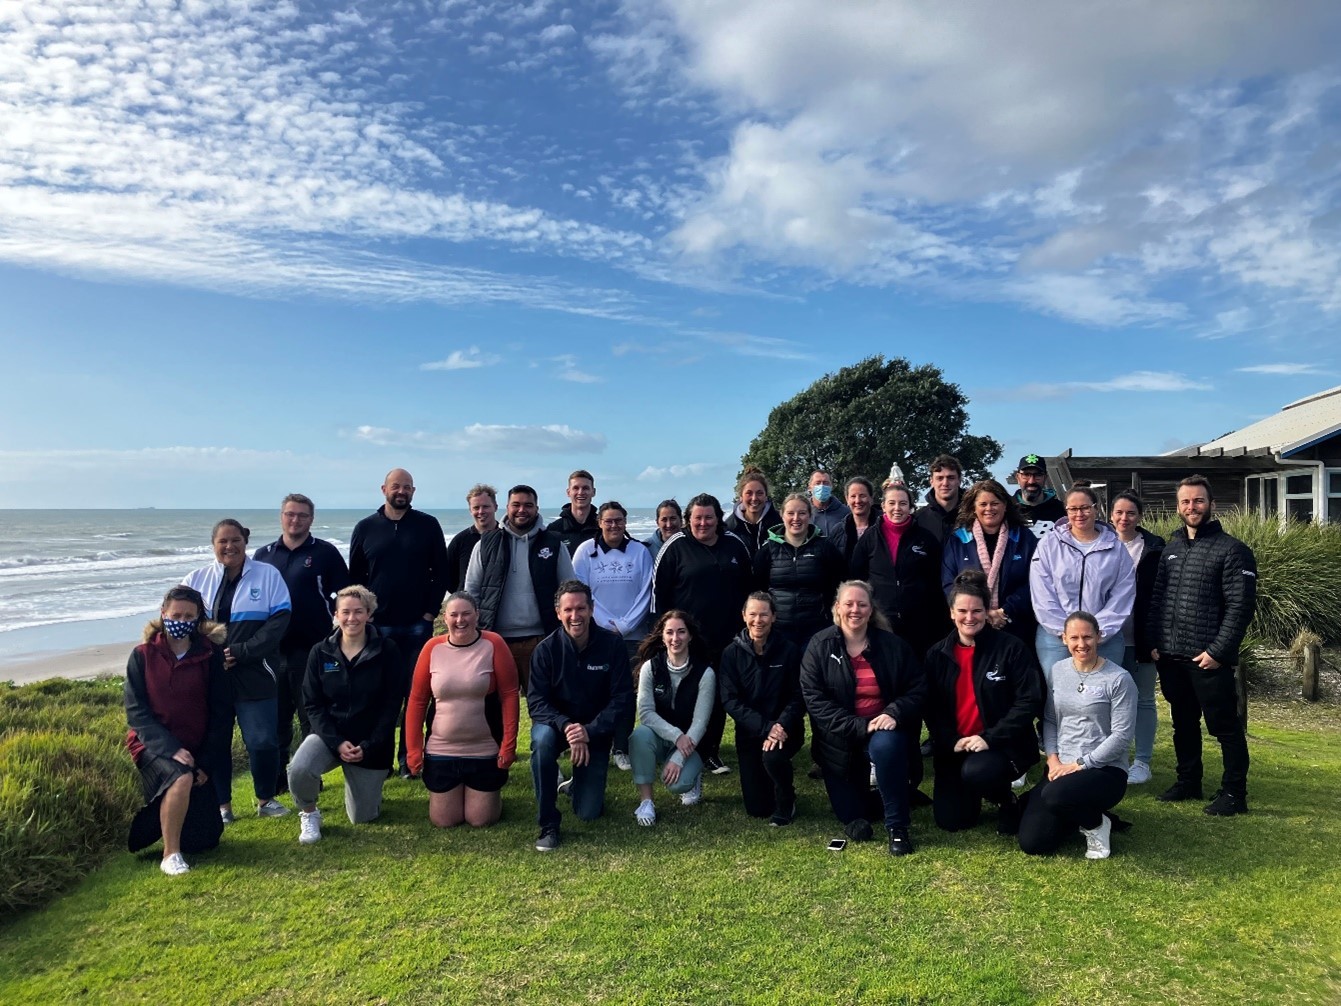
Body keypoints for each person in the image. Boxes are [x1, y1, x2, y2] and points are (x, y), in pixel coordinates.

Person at [1149, 475, 1257, 815]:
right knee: (1183, 724)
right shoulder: (1171, 549)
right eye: (1185, 502)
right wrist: (1154, 642)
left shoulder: (1234, 550)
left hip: (1208, 659)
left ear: (1210, 504)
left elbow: (1241, 607)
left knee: (1225, 728)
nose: (1191, 507)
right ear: (1178, 506)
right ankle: (1188, 781)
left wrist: (1218, 652)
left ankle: (1234, 794)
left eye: (1198, 501)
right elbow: (1158, 599)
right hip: (1171, 657)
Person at [801, 581, 926, 856]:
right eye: (848, 603)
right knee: (853, 817)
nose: (854, 610)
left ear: (871, 610)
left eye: (862, 604)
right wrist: (859, 725)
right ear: (837, 608)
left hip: (882, 730)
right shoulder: (819, 646)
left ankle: (897, 827)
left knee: (887, 746)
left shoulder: (893, 646)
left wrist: (893, 712)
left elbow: (917, 687)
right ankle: (897, 792)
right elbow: (814, 700)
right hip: (839, 739)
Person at [182, 518, 292, 823]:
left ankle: (265, 799)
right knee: (216, 742)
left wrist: (241, 652)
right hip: (211, 675)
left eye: (236, 540)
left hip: (256, 671)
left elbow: (279, 622)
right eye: (222, 542)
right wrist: (212, 656)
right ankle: (223, 807)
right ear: (213, 545)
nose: (229, 547)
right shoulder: (196, 579)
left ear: (246, 541)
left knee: (262, 741)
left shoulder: (267, 575)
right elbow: (181, 619)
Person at [348, 468, 450, 779]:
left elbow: (441, 573)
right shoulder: (365, 528)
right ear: (384, 489)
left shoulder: (428, 525)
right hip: (376, 629)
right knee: (378, 696)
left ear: (413, 491)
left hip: (417, 626)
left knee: (415, 694)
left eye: (406, 487)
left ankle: (409, 760)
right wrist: (363, 616)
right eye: (396, 486)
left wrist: (431, 613)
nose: (401, 491)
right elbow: (355, 579)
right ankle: (380, 762)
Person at [924, 572, 1041, 836]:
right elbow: (931, 708)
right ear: (951, 613)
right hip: (956, 746)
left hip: (1000, 746)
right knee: (952, 821)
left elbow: (1029, 700)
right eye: (962, 611)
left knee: (978, 772)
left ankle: (1006, 800)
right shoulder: (937, 655)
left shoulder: (1011, 648)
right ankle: (971, 791)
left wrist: (989, 738)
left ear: (987, 612)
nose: (969, 617)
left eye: (977, 611)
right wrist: (950, 739)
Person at [124, 586, 230, 876]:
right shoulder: (142, 655)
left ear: (198, 619)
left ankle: (160, 817)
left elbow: (221, 713)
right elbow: (136, 712)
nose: (180, 620)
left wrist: (205, 762)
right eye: (175, 615)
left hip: (195, 748)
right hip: (152, 745)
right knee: (181, 777)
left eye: (188, 616)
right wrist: (171, 749)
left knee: (207, 839)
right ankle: (171, 855)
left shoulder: (211, 654)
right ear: (163, 614)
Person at [288, 585, 404, 844]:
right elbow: (313, 705)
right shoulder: (320, 651)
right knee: (299, 769)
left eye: (358, 612)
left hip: (370, 743)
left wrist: (369, 745)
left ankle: (366, 789)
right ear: (336, 615)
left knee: (362, 817)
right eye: (346, 612)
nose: (352, 618)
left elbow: (391, 705)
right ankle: (309, 813)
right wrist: (336, 742)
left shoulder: (388, 650)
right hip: (330, 735)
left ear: (369, 614)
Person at [252, 492, 350, 791]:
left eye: (302, 515)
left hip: (311, 648)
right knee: (277, 717)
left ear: (311, 519)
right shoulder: (263, 555)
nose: (295, 520)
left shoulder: (325, 553)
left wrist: (341, 633)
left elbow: (344, 595)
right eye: (290, 514)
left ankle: (309, 777)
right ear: (281, 516)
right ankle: (280, 779)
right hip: (271, 651)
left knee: (311, 714)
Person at [1018, 612, 1136, 859]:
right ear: (1064, 639)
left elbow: (1121, 736)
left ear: (1099, 637)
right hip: (1062, 768)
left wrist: (1080, 764)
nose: (1081, 644)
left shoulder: (1119, 679)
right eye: (1074, 638)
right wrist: (1052, 759)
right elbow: (1050, 719)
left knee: (1055, 795)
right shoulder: (1058, 671)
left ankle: (1097, 824)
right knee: (1033, 842)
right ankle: (1075, 813)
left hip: (1104, 769)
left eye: (1087, 637)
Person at [527, 581, 634, 851]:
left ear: (592, 609)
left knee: (588, 812)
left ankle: (574, 786)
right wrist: (568, 728)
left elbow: (622, 698)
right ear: (558, 613)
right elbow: (537, 702)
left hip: (595, 731)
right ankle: (548, 824)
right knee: (541, 743)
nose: (575, 616)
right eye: (568, 610)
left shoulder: (612, 645)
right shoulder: (545, 650)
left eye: (581, 608)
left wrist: (590, 730)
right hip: (556, 728)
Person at [651, 492, 754, 775]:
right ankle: (679, 748)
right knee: (686, 697)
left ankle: (710, 753)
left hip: (729, 639)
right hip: (685, 640)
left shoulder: (736, 545)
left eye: (709, 517)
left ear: (718, 519)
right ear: (688, 520)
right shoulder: (674, 547)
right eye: (697, 518)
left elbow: (751, 590)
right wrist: (665, 635)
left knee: (719, 697)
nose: (703, 523)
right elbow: (658, 597)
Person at [405, 591, 519, 828]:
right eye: (454, 615)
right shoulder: (432, 648)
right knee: (444, 820)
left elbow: (509, 696)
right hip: (441, 749)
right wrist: (414, 751)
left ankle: (489, 795)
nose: (460, 620)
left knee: (481, 820)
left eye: (466, 613)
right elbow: (416, 702)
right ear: (444, 618)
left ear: (477, 615)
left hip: (484, 749)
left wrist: (508, 745)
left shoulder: (494, 643)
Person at [465, 484, 577, 691]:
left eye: (528, 505)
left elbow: (568, 590)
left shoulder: (554, 543)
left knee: (545, 705)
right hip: (496, 639)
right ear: (506, 507)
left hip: (542, 638)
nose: (521, 510)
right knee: (495, 707)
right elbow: (472, 591)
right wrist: (475, 633)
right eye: (516, 505)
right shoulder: (486, 544)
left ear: (537, 508)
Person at [573, 500, 654, 770]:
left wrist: (625, 625)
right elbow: (582, 593)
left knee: (627, 693)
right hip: (596, 633)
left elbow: (646, 591)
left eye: (619, 520)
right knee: (597, 690)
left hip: (633, 635)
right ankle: (597, 742)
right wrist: (606, 624)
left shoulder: (639, 552)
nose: (614, 525)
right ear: (599, 522)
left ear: (625, 522)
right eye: (608, 520)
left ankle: (621, 746)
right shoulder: (586, 552)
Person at [1029, 485, 1135, 679]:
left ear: (1095, 508)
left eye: (1085, 507)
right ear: (1066, 511)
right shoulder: (1048, 545)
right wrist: (1068, 633)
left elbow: (1123, 595)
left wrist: (1095, 633)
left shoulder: (1116, 549)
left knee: (1103, 696)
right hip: (1056, 639)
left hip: (1105, 638)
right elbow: (1042, 593)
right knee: (1059, 698)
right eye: (1073, 509)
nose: (1080, 513)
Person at [717, 592, 805, 825]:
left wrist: (780, 726)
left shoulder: (790, 651)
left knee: (773, 757)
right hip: (750, 734)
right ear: (744, 616)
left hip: (785, 730)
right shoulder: (731, 654)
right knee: (758, 808)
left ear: (774, 617)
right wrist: (765, 728)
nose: (758, 620)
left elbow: (798, 696)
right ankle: (771, 783)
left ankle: (787, 798)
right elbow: (730, 701)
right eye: (753, 614)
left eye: (764, 614)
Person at [628, 609, 716, 825]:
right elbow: (646, 713)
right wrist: (676, 736)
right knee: (639, 736)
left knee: (678, 785)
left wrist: (679, 757)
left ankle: (693, 777)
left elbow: (700, 722)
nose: (675, 638)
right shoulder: (651, 668)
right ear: (662, 636)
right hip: (663, 736)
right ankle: (646, 802)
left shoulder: (705, 673)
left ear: (690, 636)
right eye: (669, 632)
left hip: (692, 743)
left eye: (681, 632)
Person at [1109, 491, 1165, 786]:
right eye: (1119, 512)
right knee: (1106, 700)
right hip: (1107, 638)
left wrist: (1156, 637)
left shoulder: (1155, 548)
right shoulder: (1101, 543)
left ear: (1140, 516)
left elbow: (1164, 596)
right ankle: (1108, 757)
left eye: (1130, 513)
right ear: (1110, 515)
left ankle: (1142, 761)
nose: (1124, 518)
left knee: (1143, 700)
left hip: (1141, 638)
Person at [850, 480, 944, 657]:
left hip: (920, 621)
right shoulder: (870, 538)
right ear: (883, 506)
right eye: (892, 503)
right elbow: (856, 578)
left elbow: (936, 579)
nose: (897, 508)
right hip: (882, 620)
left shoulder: (925, 538)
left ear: (910, 507)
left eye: (903, 503)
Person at [940, 480, 1038, 649]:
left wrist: (1006, 611)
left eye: (995, 503)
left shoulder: (1024, 537)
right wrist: (979, 612)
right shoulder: (958, 540)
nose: (989, 509)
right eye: (983, 504)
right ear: (974, 508)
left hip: (1016, 625)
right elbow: (949, 582)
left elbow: (1035, 581)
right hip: (971, 626)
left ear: (1005, 505)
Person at [753, 492, 846, 653]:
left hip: (816, 630)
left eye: (802, 513)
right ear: (782, 515)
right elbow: (757, 590)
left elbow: (839, 585)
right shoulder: (767, 551)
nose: (796, 518)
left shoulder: (825, 548)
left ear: (810, 516)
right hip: (779, 630)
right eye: (790, 513)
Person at [445, 484, 499, 593]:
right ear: (470, 510)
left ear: (495, 507)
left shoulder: (506, 538)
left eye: (485, 506)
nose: (481, 511)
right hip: (468, 606)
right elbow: (447, 576)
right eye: (476, 508)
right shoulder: (460, 541)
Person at [724, 466, 783, 557]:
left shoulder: (780, 523)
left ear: (766, 496)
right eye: (749, 493)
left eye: (759, 493)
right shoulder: (729, 528)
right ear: (741, 497)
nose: (754, 498)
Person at [547, 469, 600, 557]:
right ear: (568, 492)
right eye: (576, 488)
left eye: (585, 488)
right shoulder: (554, 529)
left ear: (593, 492)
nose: (580, 492)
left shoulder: (602, 527)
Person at [913, 454, 963, 546]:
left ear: (959, 480)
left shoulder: (973, 516)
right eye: (940, 478)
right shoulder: (917, 521)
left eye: (951, 478)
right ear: (931, 481)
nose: (945, 483)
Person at [1012, 454, 1065, 535]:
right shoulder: (1008, 509)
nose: (1031, 481)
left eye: (1038, 475)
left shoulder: (1061, 510)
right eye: (1026, 475)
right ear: (1018, 478)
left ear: (1045, 478)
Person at [808, 469, 851, 553]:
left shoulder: (846, 513)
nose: (822, 486)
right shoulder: (803, 513)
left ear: (831, 486)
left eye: (826, 483)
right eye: (818, 483)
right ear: (810, 487)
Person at [840, 476, 877, 564]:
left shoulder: (883, 527)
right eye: (853, 496)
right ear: (847, 499)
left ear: (871, 498)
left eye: (862, 496)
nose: (858, 501)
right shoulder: (838, 531)